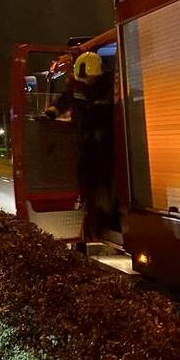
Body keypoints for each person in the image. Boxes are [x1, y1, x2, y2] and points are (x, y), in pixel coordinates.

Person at [44, 51, 114, 242]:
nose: (88, 81)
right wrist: (50, 114)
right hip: (87, 144)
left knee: (102, 187)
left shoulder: (108, 86)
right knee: (90, 188)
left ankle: (101, 225)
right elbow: (63, 102)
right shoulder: (77, 89)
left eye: (90, 78)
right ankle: (94, 229)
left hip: (104, 145)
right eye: (85, 78)